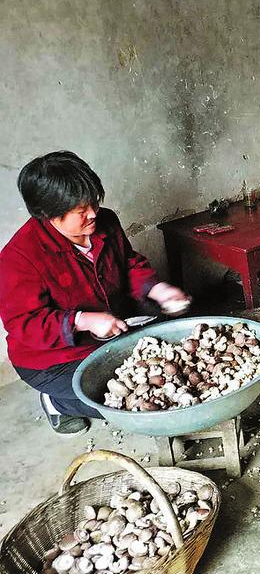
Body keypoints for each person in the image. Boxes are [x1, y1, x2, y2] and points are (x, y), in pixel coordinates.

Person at [0, 151, 190, 436]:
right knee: (126, 398)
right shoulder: (19, 257)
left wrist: (157, 289)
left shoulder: (106, 221)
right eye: (81, 210)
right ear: (48, 214)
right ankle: (57, 402)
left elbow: (128, 263)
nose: (93, 214)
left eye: (94, 202)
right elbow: (24, 323)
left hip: (113, 330)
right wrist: (82, 320)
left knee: (173, 360)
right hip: (55, 359)